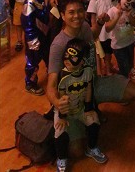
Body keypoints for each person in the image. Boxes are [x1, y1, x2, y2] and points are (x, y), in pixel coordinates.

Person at [47, 0, 135, 157]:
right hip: (73, 97)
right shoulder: (59, 45)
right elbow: (51, 84)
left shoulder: (83, 26)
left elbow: (92, 34)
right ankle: (70, 117)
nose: (76, 16)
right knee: (76, 151)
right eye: (71, 12)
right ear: (62, 15)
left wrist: (99, 23)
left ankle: (93, 107)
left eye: (80, 11)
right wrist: (57, 103)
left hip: (94, 83)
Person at [54, 38, 107, 172]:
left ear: (82, 60)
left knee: (94, 121)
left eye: (73, 57)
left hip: (80, 108)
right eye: (66, 56)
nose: (67, 60)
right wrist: (61, 116)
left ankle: (92, 147)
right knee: (60, 132)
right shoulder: (63, 76)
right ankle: (61, 157)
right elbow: (61, 98)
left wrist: (89, 108)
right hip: (64, 111)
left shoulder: (87, 72)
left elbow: (89, 89)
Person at [21, 0, 58, 95]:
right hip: (34, 39)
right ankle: (30, 83)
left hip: (44, 35)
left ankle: (52, 75)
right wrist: (33, 41)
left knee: (49, 56)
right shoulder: (29, 4)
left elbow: (44, 14)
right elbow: (27, 25)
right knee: (33, 62)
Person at [86, 0, 118, 76]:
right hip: (100, 31)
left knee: (109, 50)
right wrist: (95, 31)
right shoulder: (94, 0)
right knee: (100, 51)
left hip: (110, 30)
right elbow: (92, 18)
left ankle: (108, 68)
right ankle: (101, 71)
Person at [103, 0, 135, 79]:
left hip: (130, 43)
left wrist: (129, 16)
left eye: (133, 3)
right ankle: (124, 82)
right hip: (118, 46)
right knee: (124, 68)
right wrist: (117, 17)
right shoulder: (112, 11)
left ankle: (129, 76)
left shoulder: (131, 10)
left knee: (130, 64)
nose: (129, 4)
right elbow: (107, 28)